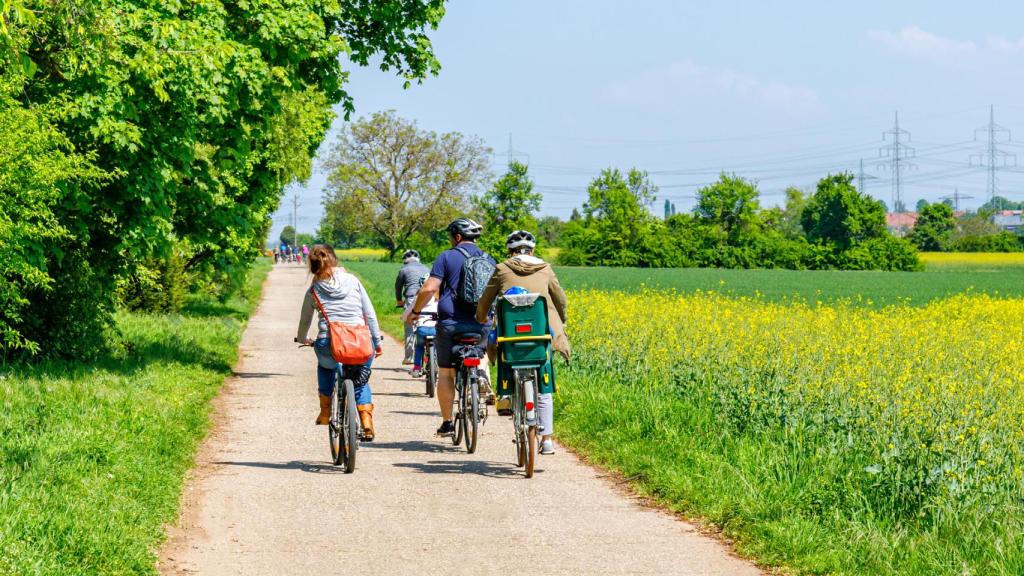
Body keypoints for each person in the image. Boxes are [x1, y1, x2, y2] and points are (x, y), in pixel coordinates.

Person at [475, 230, 570, 456]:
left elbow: (486, 300)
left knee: (505, 352)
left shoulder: (501, 269)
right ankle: (547, 439)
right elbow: (561, 299)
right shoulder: (545, 268)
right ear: (533, 250)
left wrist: (480, 318)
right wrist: (561, 320)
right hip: (541, 336)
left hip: (511, 338)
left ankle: (506, 396)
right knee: (544, 384)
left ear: (510, 251)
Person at [407, 218, 495, 437]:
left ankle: (447, 422)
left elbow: (430, 288)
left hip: (451, 323)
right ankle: (481, 375)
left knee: (446, 372)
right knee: (480, 352)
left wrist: (416, 311)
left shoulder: (446, 256)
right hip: (482, 322)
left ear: (457, 237)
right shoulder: (489, 259)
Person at [296, 244, 384, 441]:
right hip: (360, 341)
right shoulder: (353, 281)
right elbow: (369, 314)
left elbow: (305, 320)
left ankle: (326, 412)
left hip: (329, 343)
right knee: (360, 379)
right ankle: (367, 422)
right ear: (334, 259)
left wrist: (303, 339)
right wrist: (377, 342)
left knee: (326, 368)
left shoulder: (314, 289)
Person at [394, 249, 429, 364]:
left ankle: (409, 357)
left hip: (411, 298)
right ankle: (430, 353)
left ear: (405, 260)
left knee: (409, 326)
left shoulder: (404, 270)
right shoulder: (426, 268)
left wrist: (399, 301)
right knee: (427, 322)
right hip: (426, 299)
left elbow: (398, 287)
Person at [402, 275, 437, 378]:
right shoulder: (438, 298)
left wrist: (405, 318)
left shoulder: (418, 298)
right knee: (437, 346)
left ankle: (417, 367)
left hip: (422, 329)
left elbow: (408, 312)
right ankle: (438, 365)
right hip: (435, 330)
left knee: (419, 346)